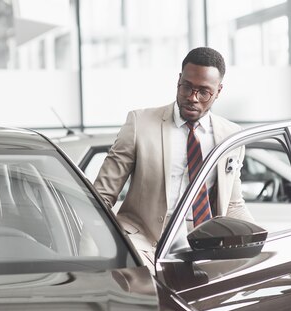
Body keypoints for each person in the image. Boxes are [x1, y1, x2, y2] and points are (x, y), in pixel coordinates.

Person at [94, 46, 252, 264]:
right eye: (186, 87)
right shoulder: (140, 123)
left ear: (218, 91)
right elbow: (102, 195)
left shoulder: (231, 135)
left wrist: (260, 244)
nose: (192, 98)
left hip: (204, 245)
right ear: (179, 80)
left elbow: (233, 204)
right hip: (142, 243)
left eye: (204, 92)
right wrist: (94, 245)